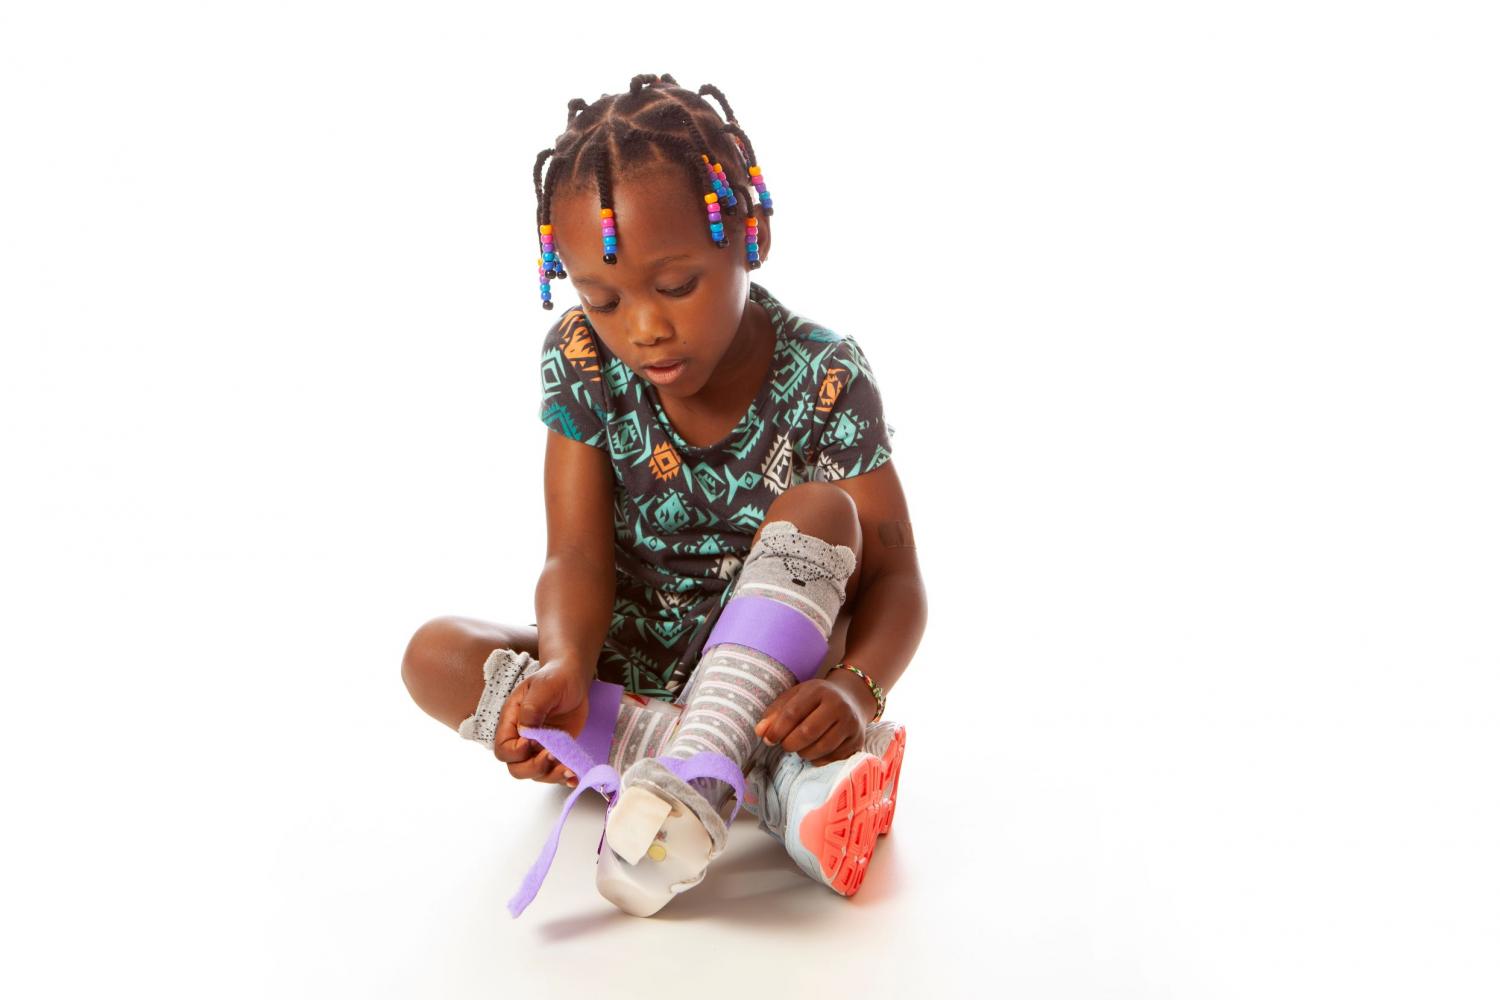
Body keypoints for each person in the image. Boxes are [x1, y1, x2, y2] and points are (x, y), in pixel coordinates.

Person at [400, 74, 927, 918]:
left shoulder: (825, 376)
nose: (642, 327)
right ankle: (757, 783)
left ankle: (700, 773)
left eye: (676, 285)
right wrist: (568, 665)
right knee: (435, 656)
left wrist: (853, 690)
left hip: (771, 673)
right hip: (634, 660)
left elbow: (898, 581)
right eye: (603, 300)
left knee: (824, 512)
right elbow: (574, 554)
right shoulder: (584, 358)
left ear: (744, 238)